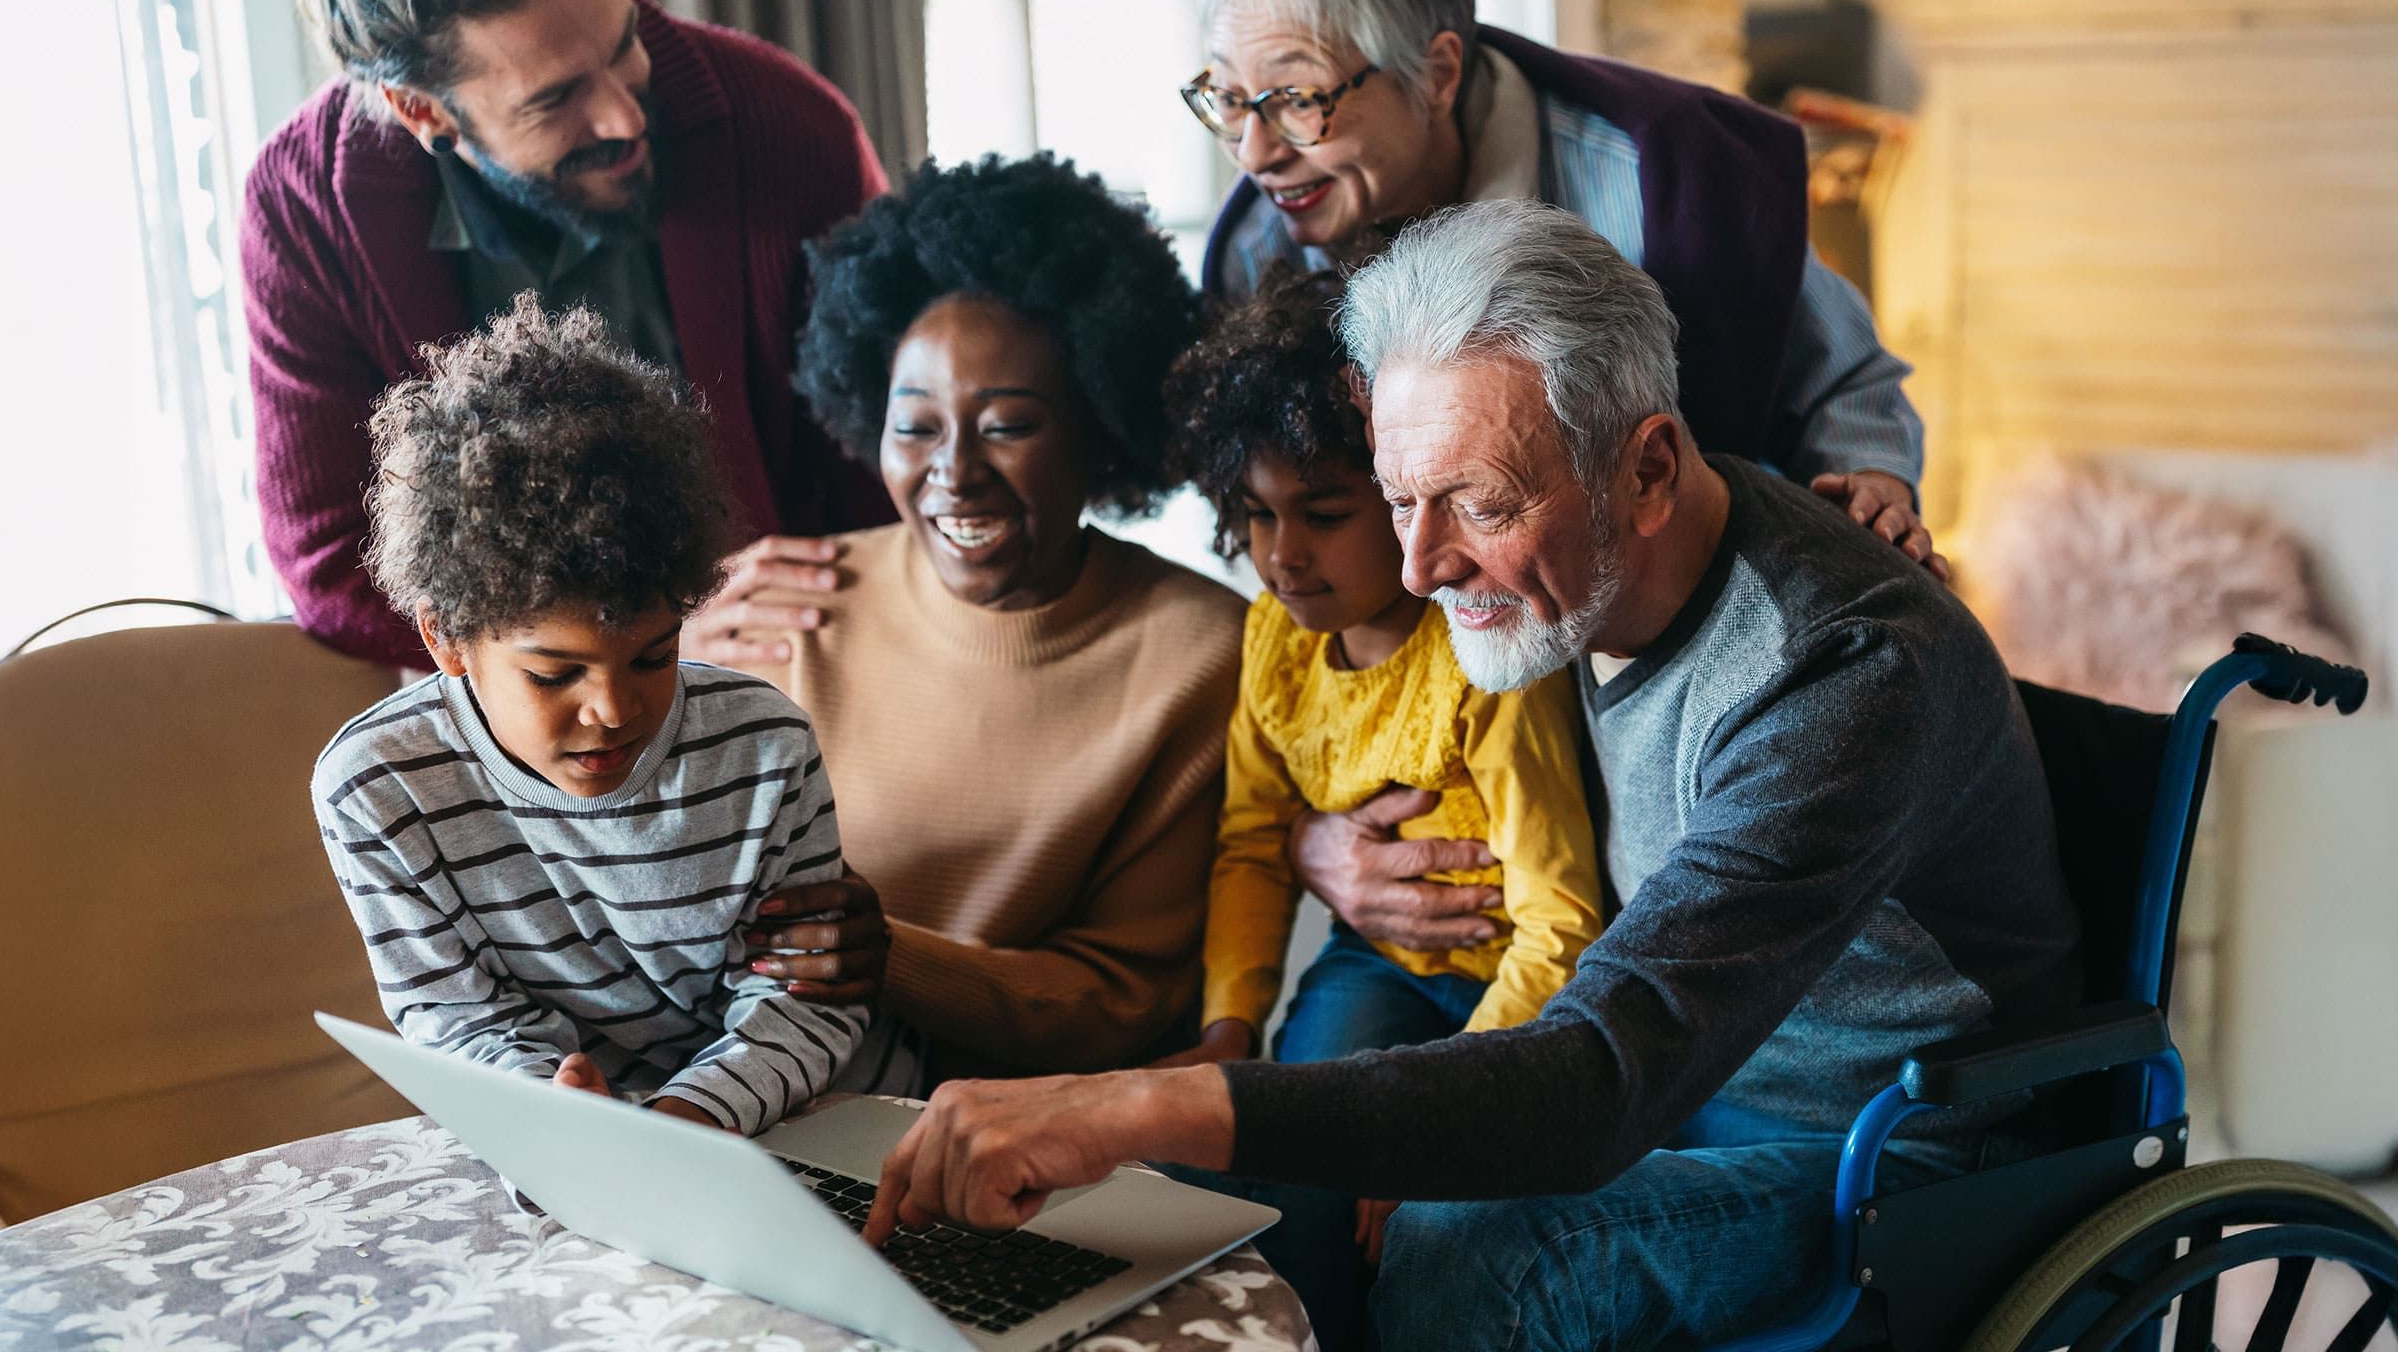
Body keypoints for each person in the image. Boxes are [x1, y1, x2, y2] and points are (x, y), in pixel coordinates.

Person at [858, 202, 2080, 1352]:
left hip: (1886, 1144)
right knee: (1255, 1185)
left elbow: (1607, 1073)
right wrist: (1306, 855)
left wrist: (1122, 1102)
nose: (1424, 564)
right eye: (1396, 500)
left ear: (1651, 467)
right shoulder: (1582, 567)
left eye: (1477, 504)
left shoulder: (1843, 671)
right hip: (1682, 1082)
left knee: (1467, 1252)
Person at [1185, 0, 1944, 580]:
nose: (1253, 154)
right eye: (1226, 98)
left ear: (1438, 73)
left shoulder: (1661, 184)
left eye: (1296, 100)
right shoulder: (1257, 253)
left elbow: (1844, 379)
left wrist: (1872, 485)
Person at [313, 296, 909, 1138]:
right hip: (594, 1148)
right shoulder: (375, 790)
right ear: (447, 638)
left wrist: (678, 1123)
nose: (615, 710)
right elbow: (455, 1021)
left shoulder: (764, 747)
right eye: (555, 674)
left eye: (654, 656)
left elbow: (807, 1001)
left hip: (822, 1121)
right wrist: (564, 1123)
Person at [248, 0, 890, 675]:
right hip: (504, 726)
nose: (625, 114)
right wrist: (631, 641)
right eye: (554, 101)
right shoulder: (302, 211)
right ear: (422, 111)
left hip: (789, 673)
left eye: (625, 45)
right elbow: (327, 563)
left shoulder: (794, 132)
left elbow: (885, 478)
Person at [1153, 269, 1605, 1346]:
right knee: (1294, 1157)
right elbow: (1255, 843)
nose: (1282, 553)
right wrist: (1228, 1027)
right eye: (1254, 516)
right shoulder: (1275, 640)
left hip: (1520, 988)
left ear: (1404, 496)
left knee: (1418, 1208)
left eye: (1322, 512)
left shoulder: (1485, 660)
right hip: (1381, 964)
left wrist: (1438, 1120)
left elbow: (1564, 925)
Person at [772, 154, 1245, 1078]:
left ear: (1098, 430)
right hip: (778, 1100)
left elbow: (1122, 1001)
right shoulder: (800, 604)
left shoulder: (1199, 653)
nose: (954, 471)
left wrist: (892, 961)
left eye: (1007, 426)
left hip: (1036, 1140)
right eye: (916, 427)